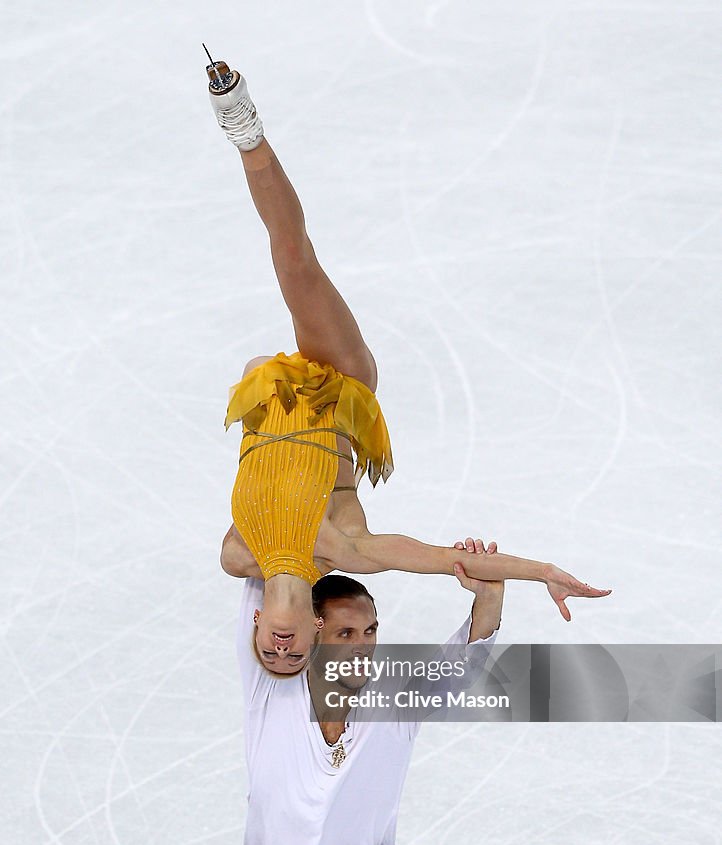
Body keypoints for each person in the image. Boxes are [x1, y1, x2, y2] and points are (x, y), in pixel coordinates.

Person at [206, 56, 611, 675]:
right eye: (295, 655)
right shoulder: (347, 549)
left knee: (288, 269)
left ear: (257, 623)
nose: (281, 649)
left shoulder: (237, 556)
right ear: (317, 630)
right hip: (336, 382)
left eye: (271, 651)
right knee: (293, 260)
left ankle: (246, 138)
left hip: (270, 393)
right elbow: (445, 557)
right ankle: (247, 133)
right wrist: (542, 572)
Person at [211, 537, 505, 845]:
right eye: (347, 633)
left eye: (370, 631)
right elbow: (244, 554)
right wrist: (315, 537)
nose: (364, 645)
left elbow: (461, 668)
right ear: (311, 632)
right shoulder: (270, 685)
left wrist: (488, 594)